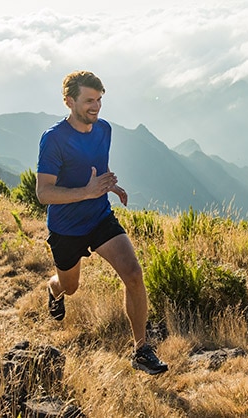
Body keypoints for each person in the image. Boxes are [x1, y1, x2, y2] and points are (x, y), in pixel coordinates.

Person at [36, 70, 168, 375]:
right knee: (70, 287)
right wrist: (86, 191)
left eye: (99, 100)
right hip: (66, 228)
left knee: (133, 274)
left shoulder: (104, 129)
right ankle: (53, 290)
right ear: (69, 101)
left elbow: (97, 166)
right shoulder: (54, 139)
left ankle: (141, 350)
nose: (95, 107)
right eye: (88, 101)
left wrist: (108, 185)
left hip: (99, 217)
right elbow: (43, 193)